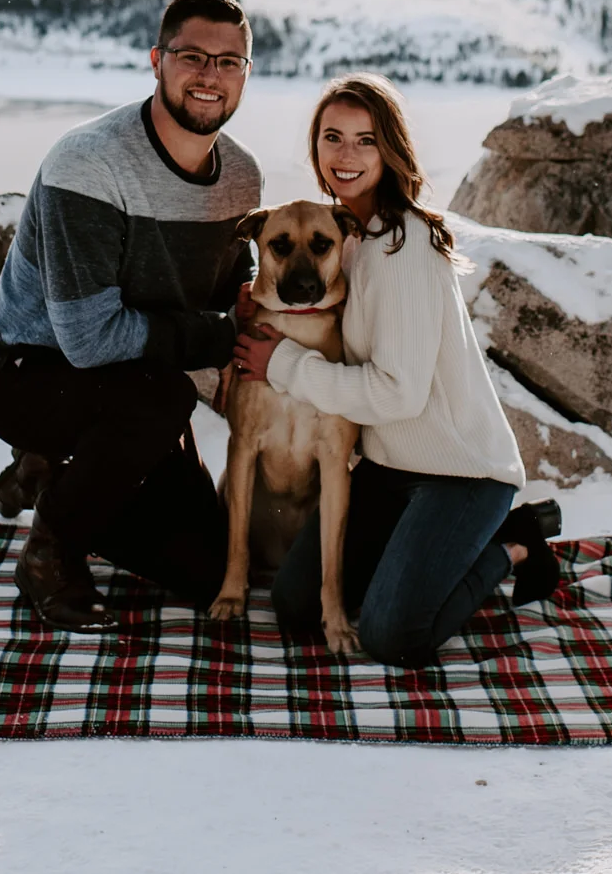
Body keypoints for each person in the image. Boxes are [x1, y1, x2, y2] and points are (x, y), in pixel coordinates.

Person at [231, 73, 561, 669]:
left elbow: (400, 395)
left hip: (460, 475)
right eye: (334, 137)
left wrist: (279, 361)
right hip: (389, 470)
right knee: (295, 604)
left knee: (392, 634)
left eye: (365, 140)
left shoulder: (401, 246)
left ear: (390, 149)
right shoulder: (345, 232)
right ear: (316, 147)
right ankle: (421, 558)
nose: (347, 155)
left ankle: (513, 543)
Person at [0, 0, 262, 630]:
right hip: (27, 370)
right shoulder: (90, 164)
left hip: (142, 385)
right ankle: (49, 551)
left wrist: (242, 343)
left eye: (229, 62)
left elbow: (227, 296)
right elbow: (90, 342)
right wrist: (217, 343)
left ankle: (54, 476)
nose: (211, 76)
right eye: (192, 56)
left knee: (206, 572)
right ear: (157, 60)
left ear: (246, 75)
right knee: (157, 402)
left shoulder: (240, 179)